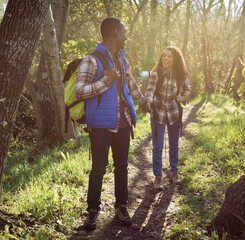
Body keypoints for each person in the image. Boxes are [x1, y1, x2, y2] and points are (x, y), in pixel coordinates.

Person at [75, 17, 147, 230]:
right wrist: (106, 81)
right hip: (100, 124)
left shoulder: (123, 60)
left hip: (123, 123)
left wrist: (142, 101)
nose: (127, 37)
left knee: (122, 166)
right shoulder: (91, 60)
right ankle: (93, 210)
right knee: (98, 167)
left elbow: (130, 83)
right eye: (124, 32)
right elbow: (80, 91)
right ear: (115, 32)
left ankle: (121, 206)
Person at [143, 46, 191, 190]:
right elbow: (149, 91)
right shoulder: (156, 74)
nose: (165, 58)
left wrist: (182, 97)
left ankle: (174, 172)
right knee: (157, 147)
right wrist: (148, 101)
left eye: (169, 56)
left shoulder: (180, 75)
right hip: (157, 112)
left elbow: (188, 89)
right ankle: (158, 177)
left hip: (173, 113)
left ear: (175, 59)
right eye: (164, 56)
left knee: (174, 145)